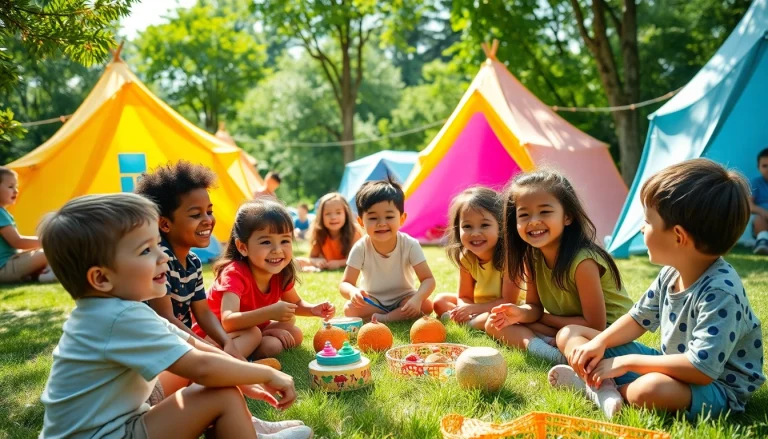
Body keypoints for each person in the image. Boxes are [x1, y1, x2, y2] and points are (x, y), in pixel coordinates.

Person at [38, 193, 312, 439]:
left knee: (220, 383)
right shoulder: (118, 317)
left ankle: (245, 427)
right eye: (146, 250)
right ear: (101, 278)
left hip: (123, 421)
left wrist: (245, 378)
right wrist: (265, 373)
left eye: (158, 245)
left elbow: (197, 347)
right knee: (219, 392)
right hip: (113, 433)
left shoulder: (117, 309)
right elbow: (202, 367)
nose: (164, 257)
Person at [551, 159, 765, 421]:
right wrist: (600, 343)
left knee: (650, 389)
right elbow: (637, 319)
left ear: (678, 236)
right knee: (571, 333)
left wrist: (626, 362)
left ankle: (606, 390)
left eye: (647, 221)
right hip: (671, 365)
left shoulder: (721, 293)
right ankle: (602, 387)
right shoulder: (671, 272)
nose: (642, 228)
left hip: (715, 388)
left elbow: (701, 370)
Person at [486, 170, 633, 366]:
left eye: (545, 212)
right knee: (495, 324)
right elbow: (534, 307)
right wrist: (521, 313)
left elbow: (595, 325)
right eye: (524, 215)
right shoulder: (533, 256)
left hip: (606, 336)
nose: (534, 221)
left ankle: (560, 347)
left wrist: (541, 318)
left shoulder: (583, 262)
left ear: (567, 216)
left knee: (563, 332)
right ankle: (551, 353)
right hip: (567, 328)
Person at [135, 161, 261, 360]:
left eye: (209, 212)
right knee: (212, 360)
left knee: (252, 333)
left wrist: (226, 342)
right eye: (196, 214)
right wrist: (209, 350)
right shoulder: (160, 260)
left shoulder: (192, 262)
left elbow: (203, 313)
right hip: (160, 347)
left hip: (185, 343)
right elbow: (166, 319)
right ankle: (226, 367)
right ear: (165, 224)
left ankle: (226, 365)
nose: (208, 220)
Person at [194, 198, 335, 359]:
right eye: (266, 242)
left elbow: (295, 303)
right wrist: (270, 313)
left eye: (284, 241)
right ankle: (225, 364)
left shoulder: (280, 273)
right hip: (212, 337)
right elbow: (228, 321)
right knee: (254, 334)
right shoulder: (234, 273)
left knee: (291, 334)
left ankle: (254, 350)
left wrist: (312, 309)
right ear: (243, 247)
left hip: (247, 331)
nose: (277, 250)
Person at [340, 177, 435, 322]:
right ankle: (393, 315)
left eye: (389, 217)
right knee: (349, 309)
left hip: (404, 298)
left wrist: (417, 299)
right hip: (373, 301)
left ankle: (387, 317)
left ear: (402, 219)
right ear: (361, 222)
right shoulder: (360, 248)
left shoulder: (410, 244)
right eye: (373, 218)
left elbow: (428, 279)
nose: (381, 223)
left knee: (426, 305)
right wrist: (353, 292)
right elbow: (345, 283)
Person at [432, 187, 520, 330]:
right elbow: (464, 296)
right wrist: (464, 309)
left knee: (494, 316)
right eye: (467, 226)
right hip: (478, 305)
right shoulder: (466, 257)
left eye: (484, 225)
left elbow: (508, 301)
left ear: (501, 226)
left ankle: (468, 323)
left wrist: (472, 309)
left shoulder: (509, 258)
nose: (475, 233)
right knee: (440, 301)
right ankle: (469, 321)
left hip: (504, 308)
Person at [0, 167, 55, 283]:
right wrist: (49, 240)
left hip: (8, 262)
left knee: (39, 251)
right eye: (10, 187)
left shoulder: (3, 212)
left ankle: (40, 273)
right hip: (3, 268)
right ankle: (47, 275)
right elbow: (18, 242)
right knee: (51, 251)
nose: (16, 191)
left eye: (16, 186)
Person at [296, 193, 362, 272]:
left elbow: (359, 258)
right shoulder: (319, 232)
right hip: (326, 264)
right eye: (327, 214)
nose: (333, 217)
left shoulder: (354, 232)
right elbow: (312, 257)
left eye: (338, 213)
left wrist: (339, 263)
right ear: (321, 216)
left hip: (347, 263)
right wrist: (317, 261)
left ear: (346, 213)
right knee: (298, 260)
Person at [749, 147, 768, 255]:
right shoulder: (756, 183)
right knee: (759, 218)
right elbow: (749, 205)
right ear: (758, 167)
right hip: (763, 218)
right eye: (764, 166)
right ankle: (762, 240)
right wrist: (762, 211)